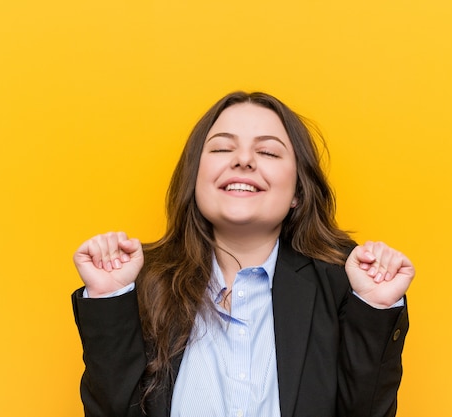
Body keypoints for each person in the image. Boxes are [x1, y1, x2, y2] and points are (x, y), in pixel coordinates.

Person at [71, 91, 415, 417]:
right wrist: (110, 297)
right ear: (195, 178)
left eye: (268, 152)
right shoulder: (142, 283)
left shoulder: (340, 285)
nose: (244, 160)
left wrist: (374, 307)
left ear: (297, 190)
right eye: (222, 148)